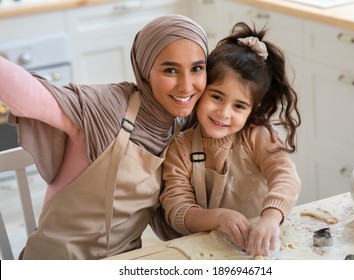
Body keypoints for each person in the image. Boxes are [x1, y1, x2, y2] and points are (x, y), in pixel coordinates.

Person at [0, 14, 209, 259]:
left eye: (197, 69)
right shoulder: (105, 109)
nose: (186, 86)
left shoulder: (182, 127)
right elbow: (27, 96)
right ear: (144, 70)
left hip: (125, 262)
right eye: (170, 70)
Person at [160, 22, 302, 258]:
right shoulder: (180, 148)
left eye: (239, 106)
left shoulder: (257, 136)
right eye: (216, 97)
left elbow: (286, 176)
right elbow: (177, 210)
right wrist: (219, 217)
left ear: (252, 109)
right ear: (201, 90)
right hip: (207, 253)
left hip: (263, 246)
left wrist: (270, 218)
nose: (224, 113)